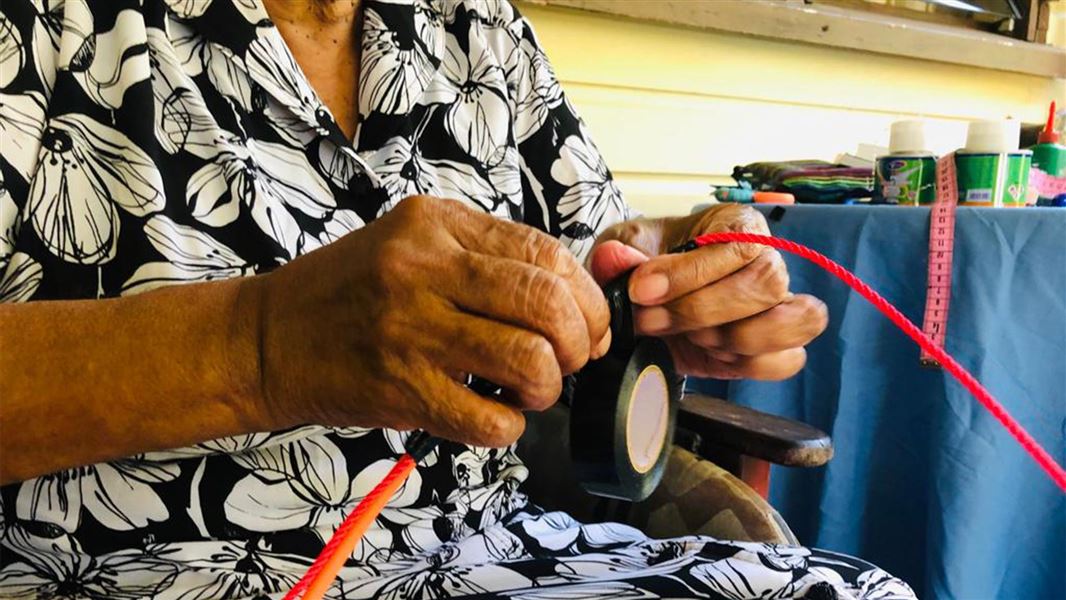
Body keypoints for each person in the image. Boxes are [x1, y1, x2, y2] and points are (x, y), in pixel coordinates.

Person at [0, 0, 916, 598]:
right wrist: (263, 345)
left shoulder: (471, 26)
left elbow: (599, 249)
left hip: (483, 556)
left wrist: (686, 277)